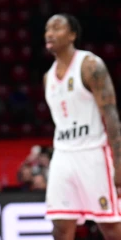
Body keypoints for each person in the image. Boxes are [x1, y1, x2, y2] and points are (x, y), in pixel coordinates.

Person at [44, 13, 121, 240]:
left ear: (72, 35)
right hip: (63, 154)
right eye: (47, 29)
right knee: (60, 226)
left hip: (93, 153)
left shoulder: (90, 65)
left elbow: (111, 115)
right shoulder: (48, 77)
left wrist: (119, 163)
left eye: (57, 28)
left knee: (109, 226)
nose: (49, 33)